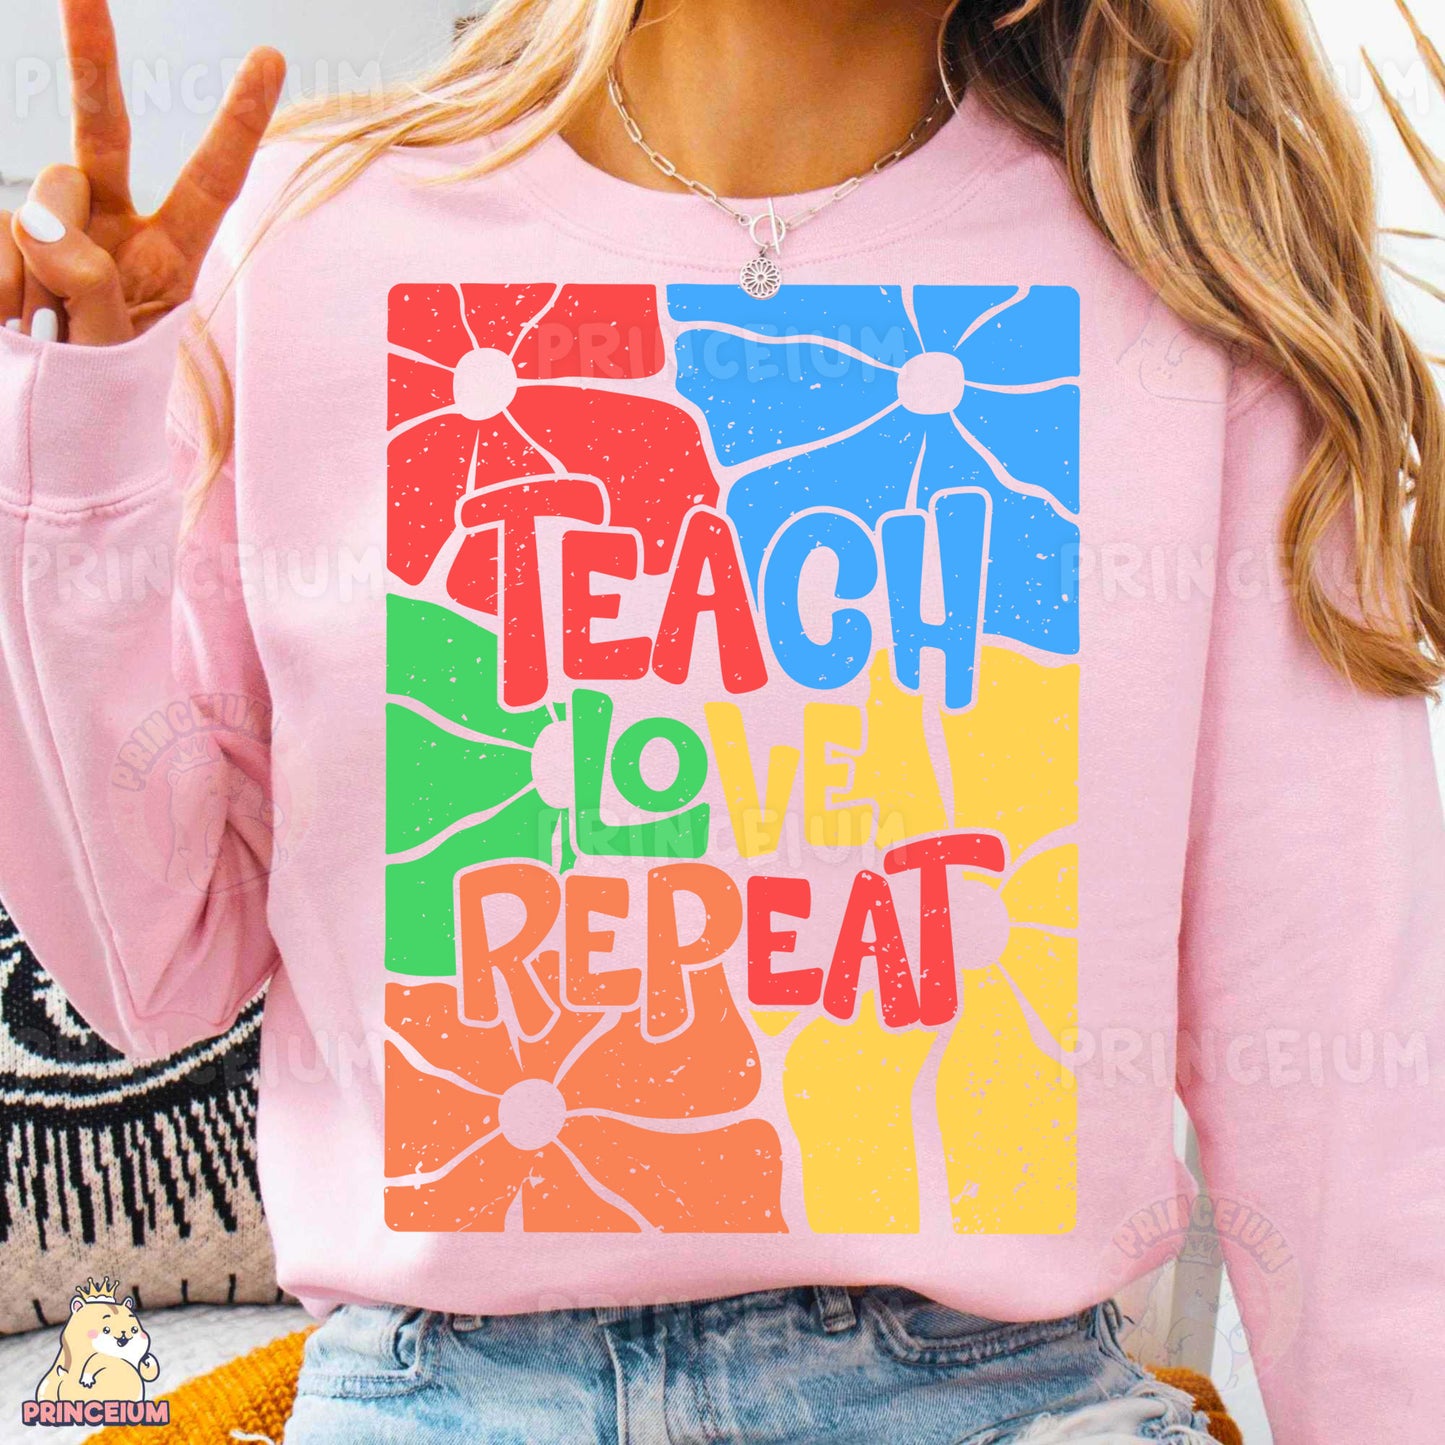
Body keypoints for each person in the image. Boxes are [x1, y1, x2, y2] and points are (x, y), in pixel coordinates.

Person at [2, 0, 1442, 1439]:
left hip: (1001, 1398)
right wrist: (77, 430)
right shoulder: (313, 234)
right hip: (441, 1391)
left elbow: (1338, 1073)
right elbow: (153, 965)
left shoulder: (1191, 300)